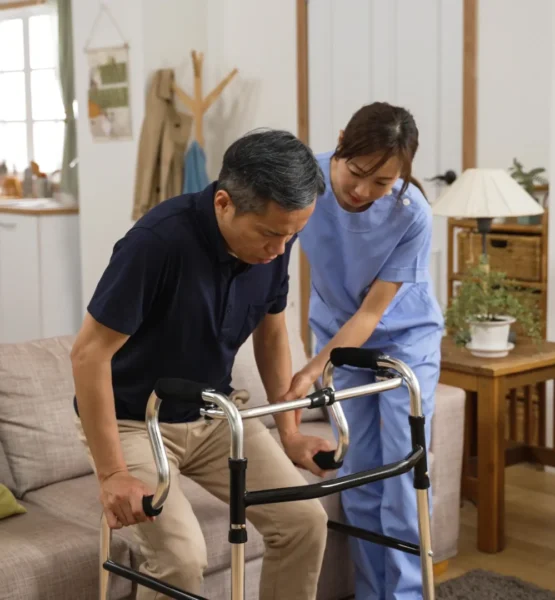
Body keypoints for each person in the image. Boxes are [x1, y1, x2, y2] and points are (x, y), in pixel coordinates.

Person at [70, 129, 333, 600]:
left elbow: (272, 332)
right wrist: (112, 474)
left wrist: (289, 432)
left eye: (294, 234)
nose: (280, 248)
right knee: (181, 557)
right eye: (272, 234)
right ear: (224, 203)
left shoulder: (278, 234)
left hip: (215, 413)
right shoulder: (156, 243)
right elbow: (89, 354)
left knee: (304, 521)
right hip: (135, 422)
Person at [283, 102, 445, 599]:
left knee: (401, 476)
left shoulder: (411, 211)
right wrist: (321, 360)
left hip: (404, 341)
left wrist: (313, 368)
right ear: (340, 144)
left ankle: (407, 596)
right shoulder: (300, 180)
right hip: (336, 334)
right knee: (356, 473)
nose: (364, 191)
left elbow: (373, 313)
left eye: (383, 183)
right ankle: (373, 594)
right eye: (357, 173)